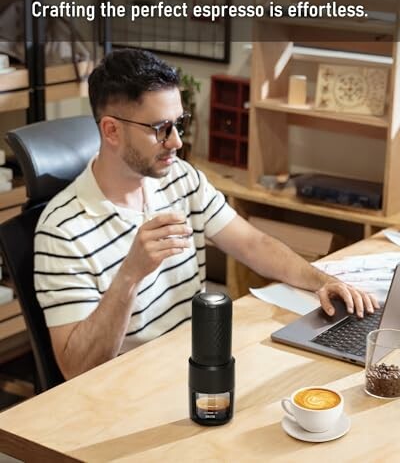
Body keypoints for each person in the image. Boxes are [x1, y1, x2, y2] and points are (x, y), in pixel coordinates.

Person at [34, 49, 379, 380]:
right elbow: (76, 369)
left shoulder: (180, 178)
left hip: (196, 361)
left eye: (179, 123)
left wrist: (324, 282)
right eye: (160, 129)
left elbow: (253, 244)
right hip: (131, 386)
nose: (176, 142)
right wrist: (129, 276)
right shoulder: (62, 231)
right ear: (111, 130)